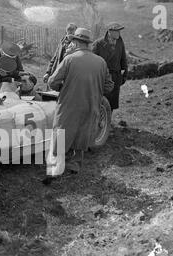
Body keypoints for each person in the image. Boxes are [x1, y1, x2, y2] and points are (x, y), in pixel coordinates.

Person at [44, 28, 114, 184]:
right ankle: (74, 166)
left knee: (61, 133)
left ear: (75, 42)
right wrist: (94, 90)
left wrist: (63, 87)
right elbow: (109, 86)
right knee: (83, 132)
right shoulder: (100, 62)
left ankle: (56, 169)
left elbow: (52, 82)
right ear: (87, 43)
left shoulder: (70, 59)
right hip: (92, 104)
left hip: (69, 104)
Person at [92, 22, 128, 113]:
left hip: (116, 76)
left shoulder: (120, 41)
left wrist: (125, 74)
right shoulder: (98, 44)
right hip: (103, 77)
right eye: (117, 31)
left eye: (119, 31)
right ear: (109, 31)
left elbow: (123, 57)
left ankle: (108, 122)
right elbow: (92, 62)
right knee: (102, 101)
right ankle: (99, 122)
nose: (119, 33)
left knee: (112, 103)